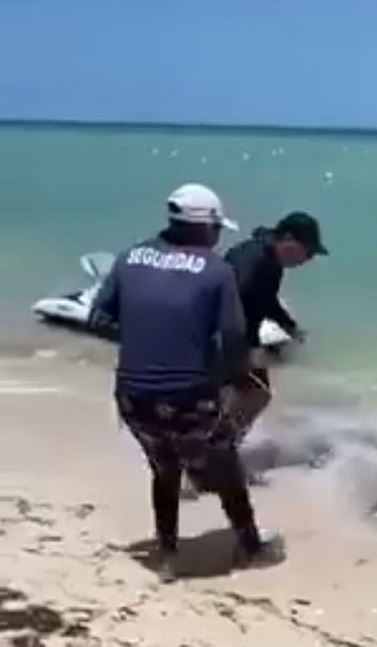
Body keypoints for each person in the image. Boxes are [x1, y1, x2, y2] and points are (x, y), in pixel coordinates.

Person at [90, 183, 283, 582]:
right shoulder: (216, 271)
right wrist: (223, 375)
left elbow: (99, 318)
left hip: (132, 396)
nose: (218, 237)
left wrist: (148, 341)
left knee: (164, 468)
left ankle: (167, 549)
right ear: (203, 227)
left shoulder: (129, 258)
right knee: (226, 464)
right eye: (216, 229)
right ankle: (250, 546)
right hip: (188, 396)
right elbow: (232, 339)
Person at [182, 211, 329, 494]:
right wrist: (238, 351)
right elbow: (226, 301)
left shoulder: (269, 259)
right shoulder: (253, 261)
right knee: (251, 396)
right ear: (288, 239)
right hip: (216, 341)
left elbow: (266, 298)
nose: (308, 259)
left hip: (229, 342)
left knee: (247, 398)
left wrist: (289, 325)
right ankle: (208, 465)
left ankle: (213, 460)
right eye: (307, 251)